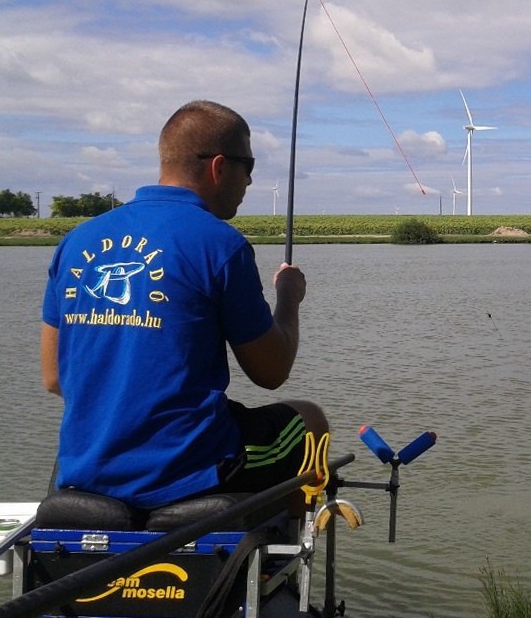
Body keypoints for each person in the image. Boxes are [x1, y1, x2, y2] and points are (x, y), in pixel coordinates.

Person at [40, 99, 327, 510]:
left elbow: (53, 378)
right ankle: (275, 563)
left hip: (85, 469)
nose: (249, 182)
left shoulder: (77, 241)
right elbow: (272, 371)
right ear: (219, 167)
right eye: (249, 166)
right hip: (185, 470)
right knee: (309, 421)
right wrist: (288, 297)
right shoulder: (221, 244)